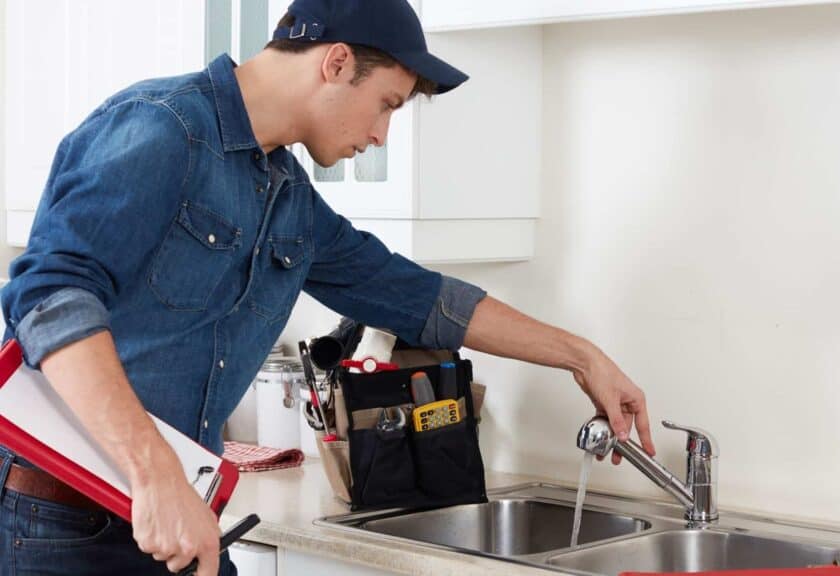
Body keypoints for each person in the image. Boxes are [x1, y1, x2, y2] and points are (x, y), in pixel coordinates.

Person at [0, 0, 654, 574]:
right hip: (63, 527)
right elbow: (49, 296)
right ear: (337, 62)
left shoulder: (288, 200)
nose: (379, 135)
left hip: (177, 520)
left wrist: (582, 356)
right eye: (387, 105)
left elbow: (418, 298)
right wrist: (155, 475)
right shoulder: (162, 128)